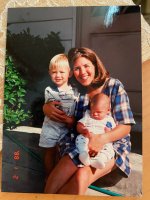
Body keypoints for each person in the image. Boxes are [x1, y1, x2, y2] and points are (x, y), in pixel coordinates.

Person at [43, 47, 135, 194]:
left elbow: (126, 126)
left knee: (82, 175)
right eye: (77, 68)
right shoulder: (75, 90)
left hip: (110, 144)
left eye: (86, 66)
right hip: (80, 140)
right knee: (64, 166)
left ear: (95, 65)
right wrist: (46, 107)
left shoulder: (113, 86)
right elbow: (56, 98)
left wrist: (101, 139)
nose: (83, 72)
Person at [39, 54, 78, 177]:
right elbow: (53, 110)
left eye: (62, 72)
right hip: (51, 128)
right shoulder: (49, 90)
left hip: (66, 130)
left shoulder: (75, 92)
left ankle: (57, 177)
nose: (58, 75)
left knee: (61, 153)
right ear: (50, 73)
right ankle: (48, 176)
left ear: (70, 73)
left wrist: (72, 120)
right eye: (54, 72)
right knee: (49, 152)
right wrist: (67, 118)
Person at [76, 93, 116, 169]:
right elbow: (79, 124)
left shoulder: (109, 119)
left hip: (103, 141)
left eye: (98, 112)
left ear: (108, 110)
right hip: (88, 136)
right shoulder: (88, 115)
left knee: (109, 149)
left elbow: (114, 132)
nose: (94, 114)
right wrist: (83, 129)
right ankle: (84, 154)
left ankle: (100, 159)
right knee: (80, 139)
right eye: (92, 110)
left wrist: (109, 132)